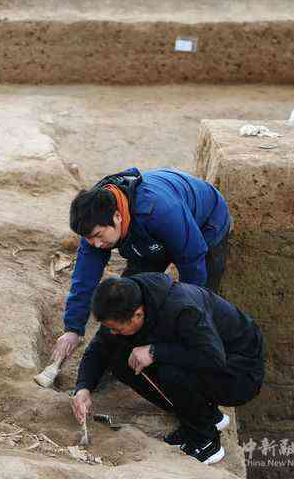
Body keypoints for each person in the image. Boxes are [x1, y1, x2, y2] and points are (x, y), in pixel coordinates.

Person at [71, 273, 264, 464]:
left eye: (117, 328)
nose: (112, 332)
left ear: (138, 314)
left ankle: (205, 441)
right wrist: (83, 387)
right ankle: (206, 415)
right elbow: (100, 347)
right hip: (206, 356)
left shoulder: (183, 310)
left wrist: (155, 351)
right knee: (119, 359)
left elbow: (213, 357)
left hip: (239, 372)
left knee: (170, 372)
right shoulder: (127, 300)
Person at [53, 167, 231, 362]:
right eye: (89, 238)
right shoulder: (93, 217)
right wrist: (73, 328)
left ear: (117, 216)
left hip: (205, 221)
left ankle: (189, 357)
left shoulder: (160, 211)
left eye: (98, 236)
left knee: (198, 303)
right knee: (124, 300)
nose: (95, 244)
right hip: (146, 234)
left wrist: (180, 322)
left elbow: (193, 264)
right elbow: (85, 277)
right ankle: (119, 357)